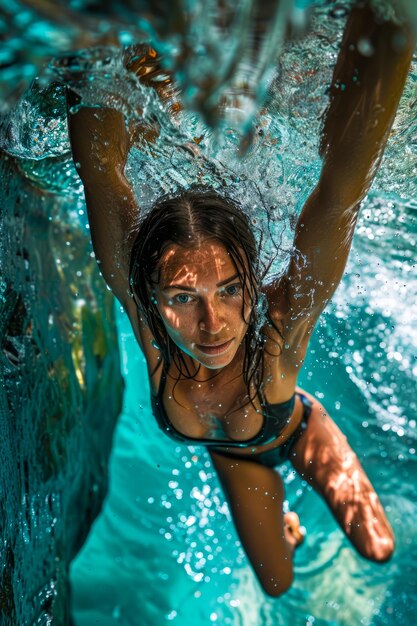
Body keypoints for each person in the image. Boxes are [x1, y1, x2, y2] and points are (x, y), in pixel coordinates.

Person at [66, 3, 415, 597]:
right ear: (150, 296)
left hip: (295, 429)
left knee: (377, 547)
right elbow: (97, 173)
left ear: (252, 284)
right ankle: (285, 525)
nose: (213, 323)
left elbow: (338, 192)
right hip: (237, 458)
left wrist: (394, 25)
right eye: (183, 296)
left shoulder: (278, 337)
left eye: (229, 289)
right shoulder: (147, 323)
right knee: (277, 584)